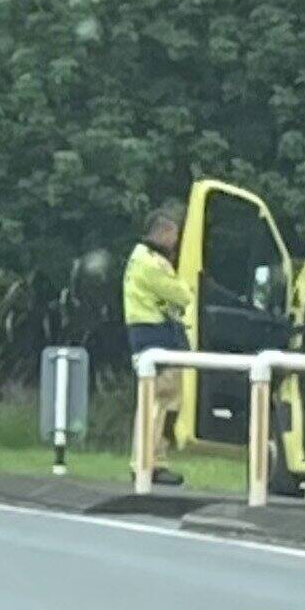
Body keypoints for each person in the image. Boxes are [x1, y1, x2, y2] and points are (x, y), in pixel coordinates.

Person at [123, 205, 193, 487]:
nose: (177, 240)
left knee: (159, 402)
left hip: (147, 335)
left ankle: (152, 460)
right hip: (157, 336)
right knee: (159, 402)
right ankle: (149, 463)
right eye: (174, 234)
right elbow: (182, 295)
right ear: (163, 233)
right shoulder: (153, 263)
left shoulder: (138, 258)